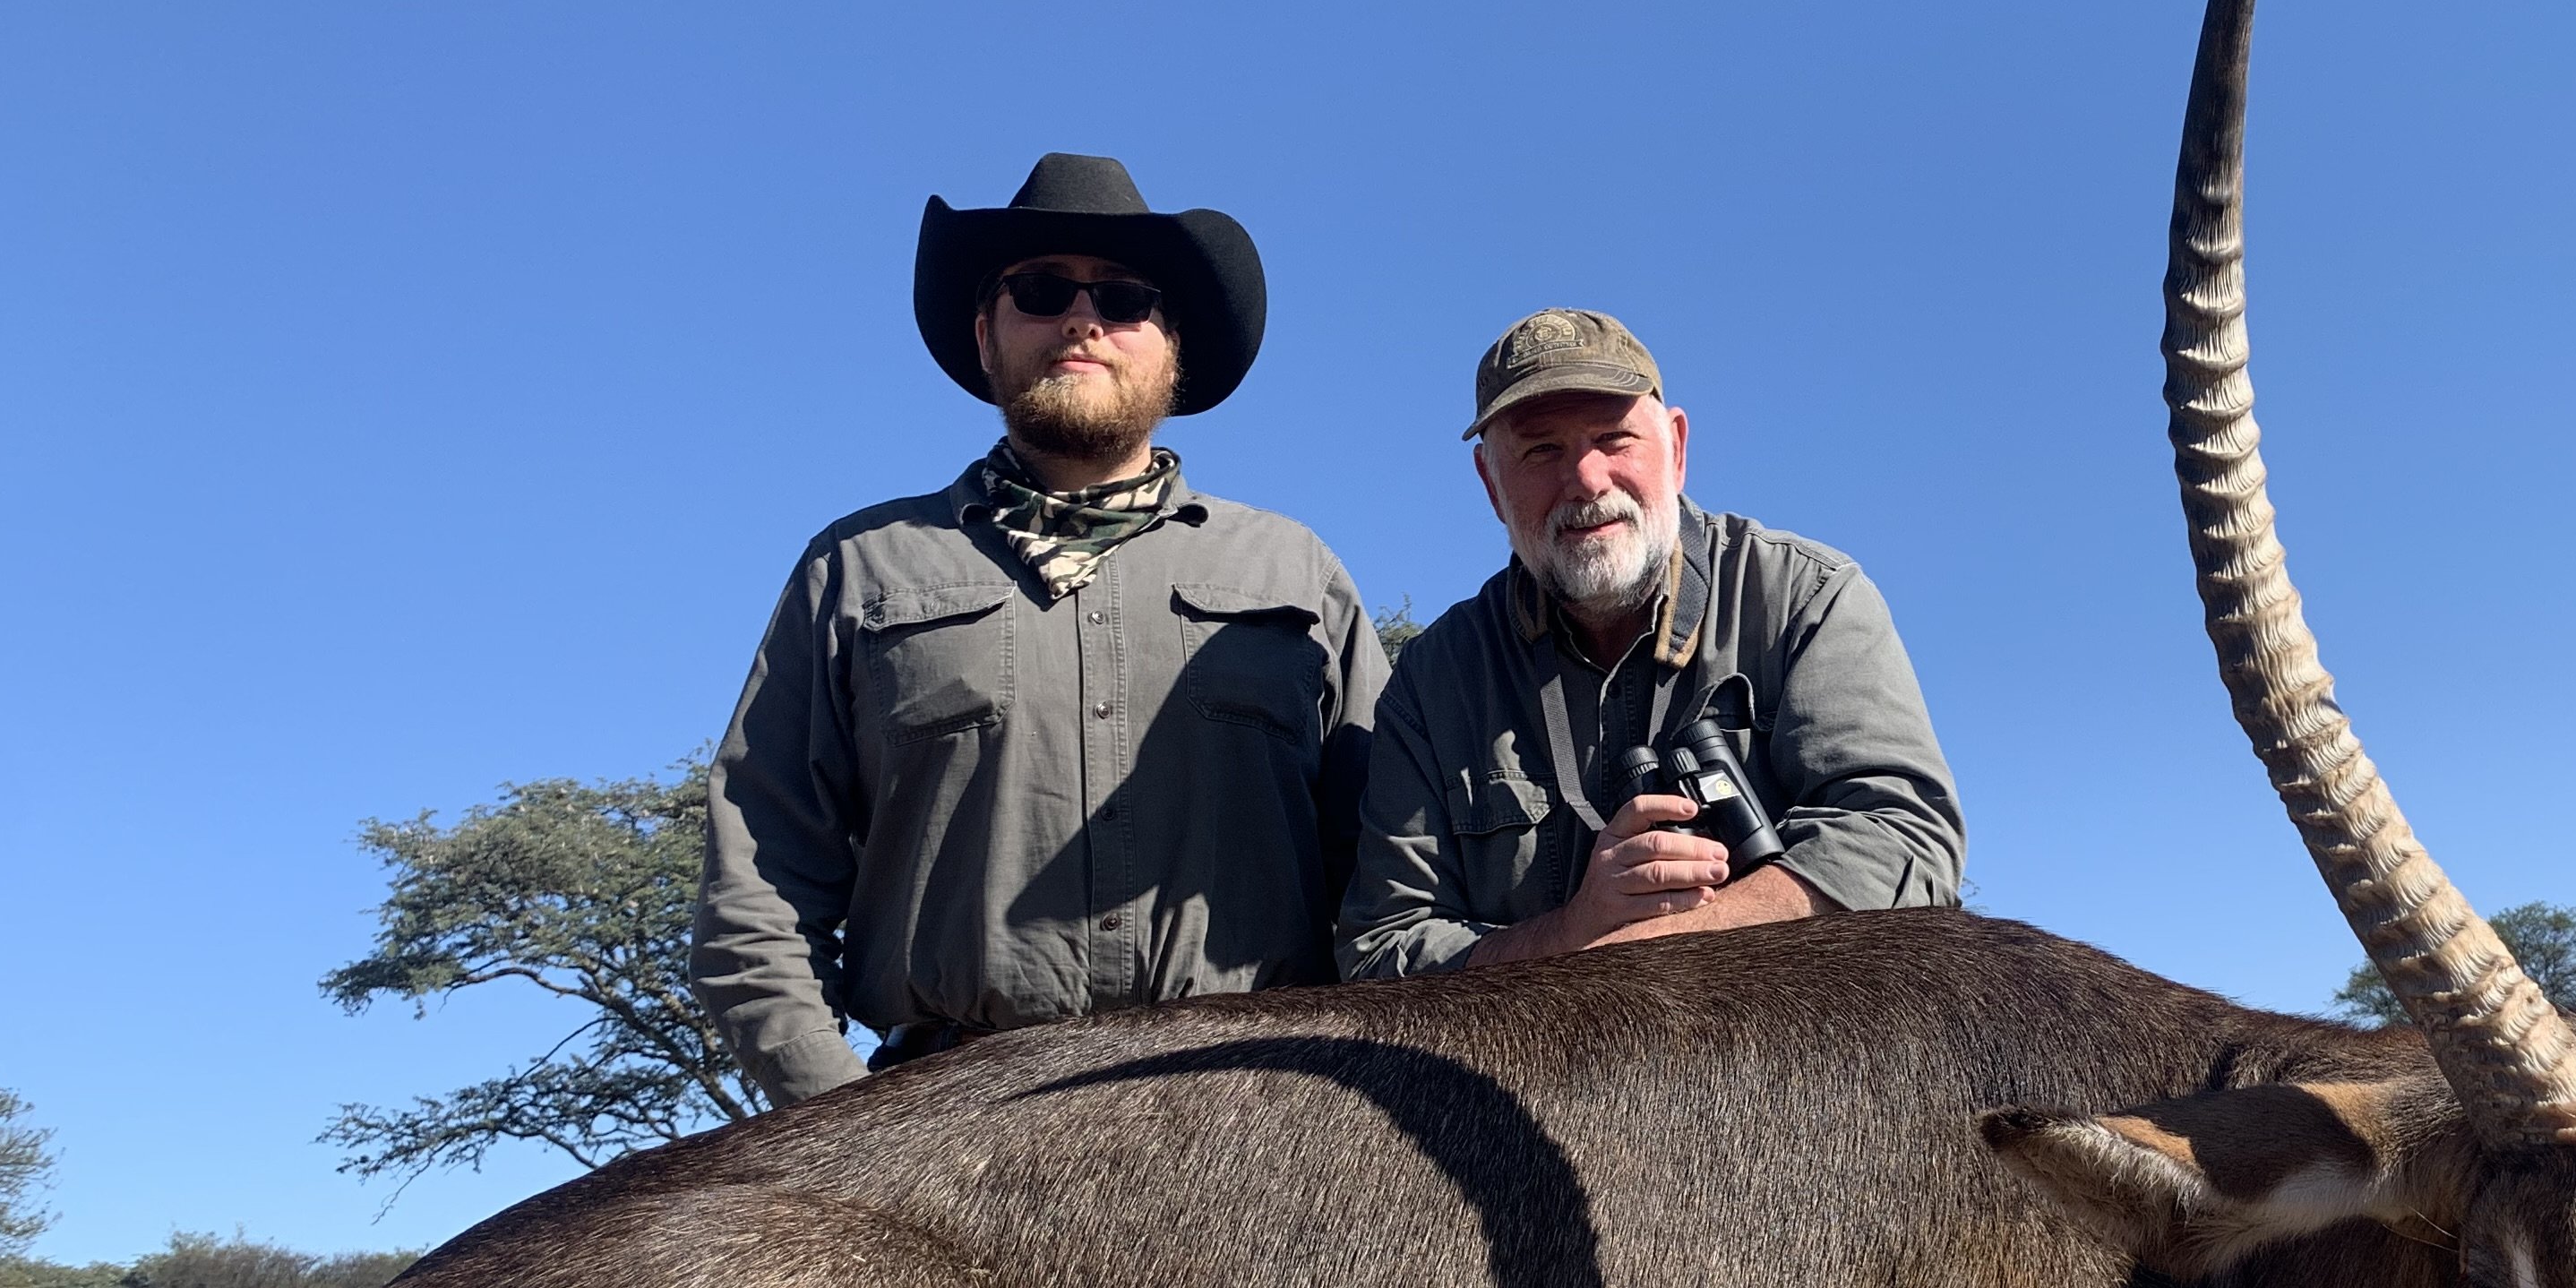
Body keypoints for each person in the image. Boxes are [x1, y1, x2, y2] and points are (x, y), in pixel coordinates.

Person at [698, 153, 1385, 1105]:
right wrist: (844, 1128)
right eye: (1042, 288)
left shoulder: (1293, 573)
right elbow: (759, 886)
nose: (1082, 317)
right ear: (985, 335)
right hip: (943, 1133)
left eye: (1126, 296)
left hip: (1257, 1124)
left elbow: (1389, 870)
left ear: (1171, 344)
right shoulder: (859, 568)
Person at [1339, 307, 1962, 977]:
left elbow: (1905, 837)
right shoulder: (1434, 681)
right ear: (1491, 485)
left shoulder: (1806, 598)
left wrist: (1655, 949)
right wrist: (1574, 931)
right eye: (1541, 450)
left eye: (1614, 438)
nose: (1587, 479)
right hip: (1547, 1071)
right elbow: (1381, 946)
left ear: (1678, 447)